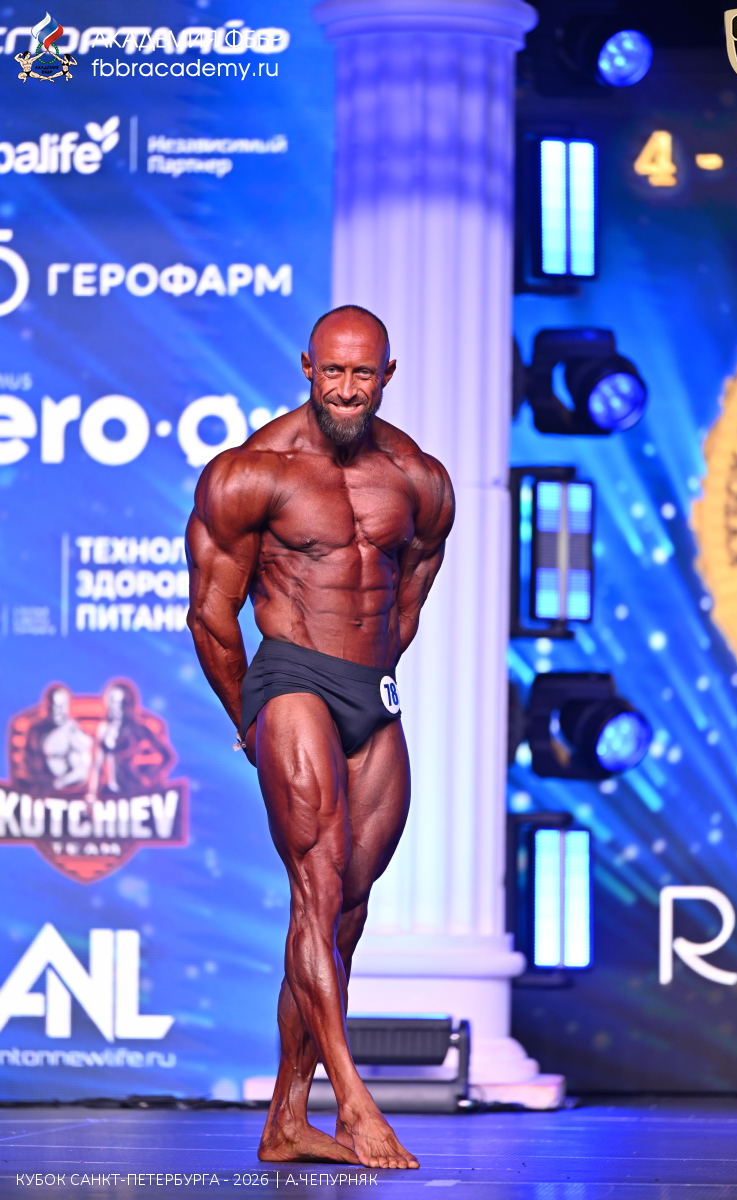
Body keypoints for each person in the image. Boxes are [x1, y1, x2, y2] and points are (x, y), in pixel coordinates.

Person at [186, 305, 454, 1170]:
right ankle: (354, 1101)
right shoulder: (250, 473)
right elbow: (211, 615)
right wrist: (252, 716)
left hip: (371, 692)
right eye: (332, 372)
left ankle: (287, 1120)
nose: (345, 390)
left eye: (362, 374)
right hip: (290, 677)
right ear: (307, 367)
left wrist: (372, 677)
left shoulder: (419, 478)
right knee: (317, 884)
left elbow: (409, 595)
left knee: (347, 911)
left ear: (387, 375)